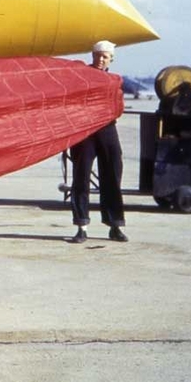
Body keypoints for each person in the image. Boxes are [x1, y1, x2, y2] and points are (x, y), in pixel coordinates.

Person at [68, 40, 128, 244]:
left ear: (111, 58)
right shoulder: (82, 76)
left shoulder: (114, 80)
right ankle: (81, 226)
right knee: (81, 177)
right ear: (92, 56)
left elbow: (118, 105)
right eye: (98, 55)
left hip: (107, 130)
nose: (101, 59)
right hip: (85, 132)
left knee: (112, 175)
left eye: (105, 56)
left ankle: (115, 226)